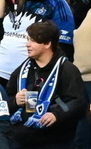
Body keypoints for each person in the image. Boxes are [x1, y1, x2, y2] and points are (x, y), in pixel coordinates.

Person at [5, 20, 86, 149]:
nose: (27, 44)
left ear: (48, 44)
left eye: (33, 40)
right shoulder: (22, 70)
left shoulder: (67, 70)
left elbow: (78, 103)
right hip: (21, 140)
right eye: (28, 40)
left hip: (54, 141)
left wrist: (56, 115)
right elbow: (6, 101)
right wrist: (15, 101)